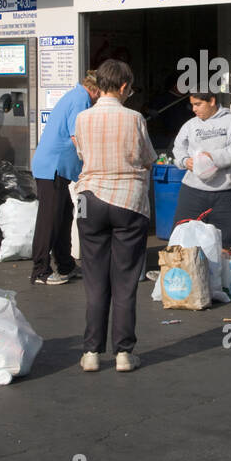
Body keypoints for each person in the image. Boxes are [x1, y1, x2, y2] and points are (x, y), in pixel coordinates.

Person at [71, 59, 157, 373]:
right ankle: (123, 353)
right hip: (128, 203)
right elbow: (148, 157)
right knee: (124, 281)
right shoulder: (134, 118)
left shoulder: (82, 117)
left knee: (94, 280)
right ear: (123, 87)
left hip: (89, 200)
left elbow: (81, 154)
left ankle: (91, 352)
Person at [29, 72, 101, 286]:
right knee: (49, 219)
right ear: (96, 90)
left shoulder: (77, 96)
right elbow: (77, 135)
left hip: (56, 167)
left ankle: (66, 264)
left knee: (63, 216)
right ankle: (40, 270)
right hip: (53, 168)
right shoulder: (81, 100)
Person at [171, 92, 231, 247]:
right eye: (192, 104)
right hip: (192, 192)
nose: (194, 109)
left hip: (225, 193)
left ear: (212, 101)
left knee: (230, 244)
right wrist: (184, 161)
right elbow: (178, 148)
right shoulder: (190, 125)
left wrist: (212, 158)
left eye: (198, 104)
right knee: (182, 240)